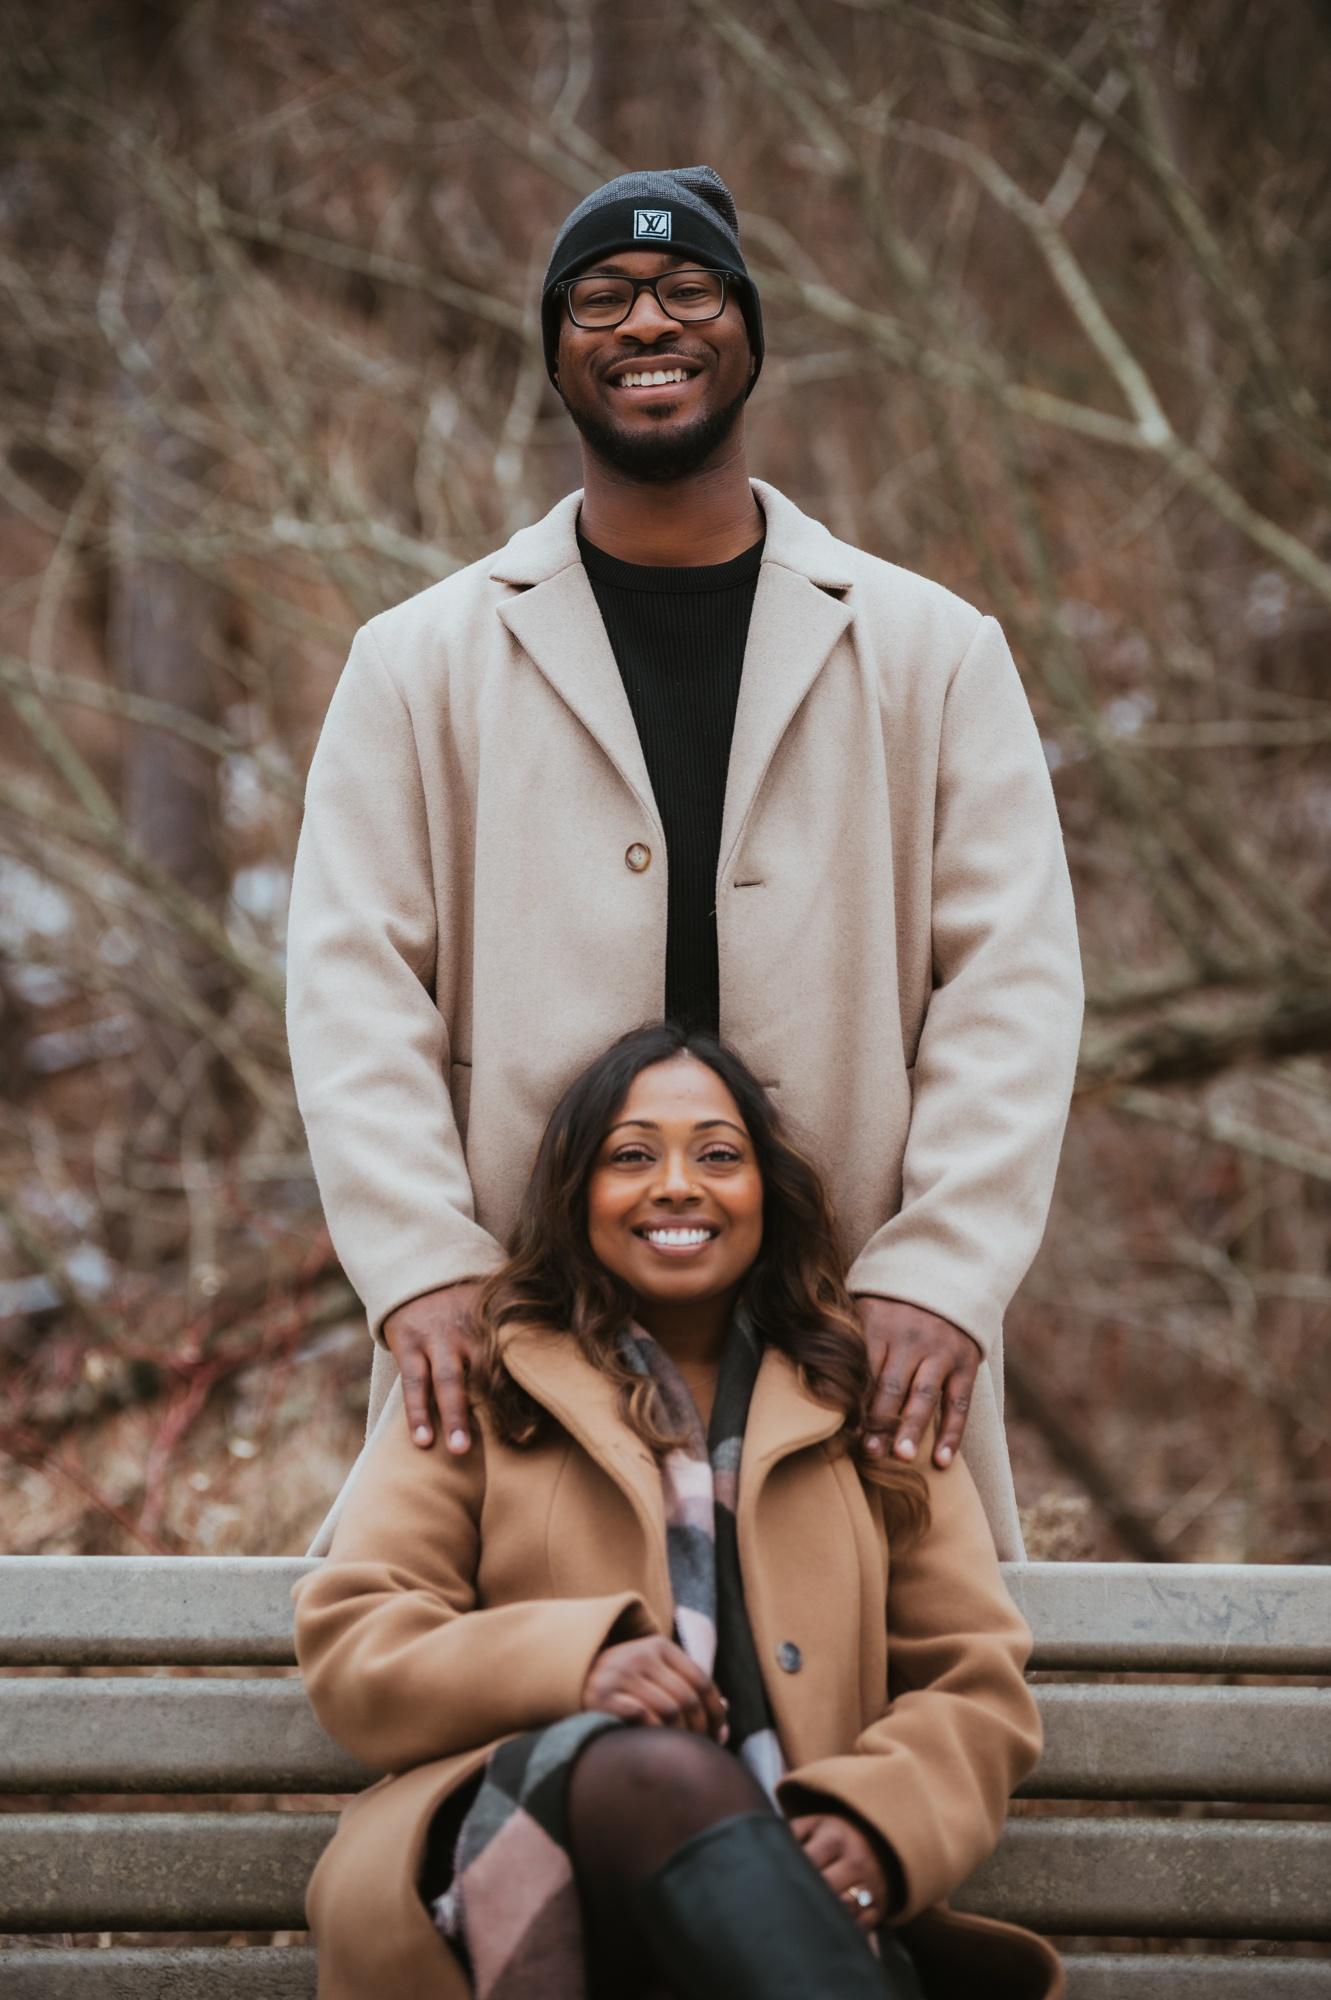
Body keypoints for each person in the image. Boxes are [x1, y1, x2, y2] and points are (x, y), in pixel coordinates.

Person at [286, 165, 1083, 1560]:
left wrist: (943, 1272)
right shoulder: (414, 665)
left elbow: (1011, 983)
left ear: (748, 334)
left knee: (872, 1669)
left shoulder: (932, 651)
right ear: (554, 352)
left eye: (686, 288)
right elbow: (351, 986)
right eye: (599, 297)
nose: (646, 321)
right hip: (522, 1319)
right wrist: (420, 1265)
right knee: (539, 1667)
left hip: (850, 1327)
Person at [294, 1025, 1064, 1999]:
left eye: (717, 1155)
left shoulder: (868, 1405)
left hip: (790, 1892)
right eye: (629, 1156)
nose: (675, 1185)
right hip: (518, 1863)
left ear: (766, 1190)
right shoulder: (483, 1385)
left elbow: (973, 1683)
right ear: (575, 1192)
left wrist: (878, 1822)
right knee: (653, 1769)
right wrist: (577, 1664)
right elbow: (355, 1639)